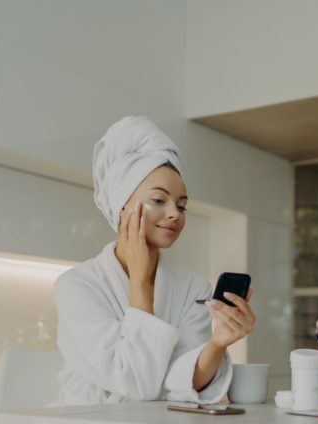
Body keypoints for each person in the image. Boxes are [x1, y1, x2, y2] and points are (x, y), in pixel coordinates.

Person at [54, 116, 255, 405]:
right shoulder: (77, 286)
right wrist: (139, 280)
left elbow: (181, 383)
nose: (175, 213)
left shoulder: (192, 288)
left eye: (182, 205)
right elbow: (136, 383)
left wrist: (218, 342)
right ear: (123, 207)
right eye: (159, 201)